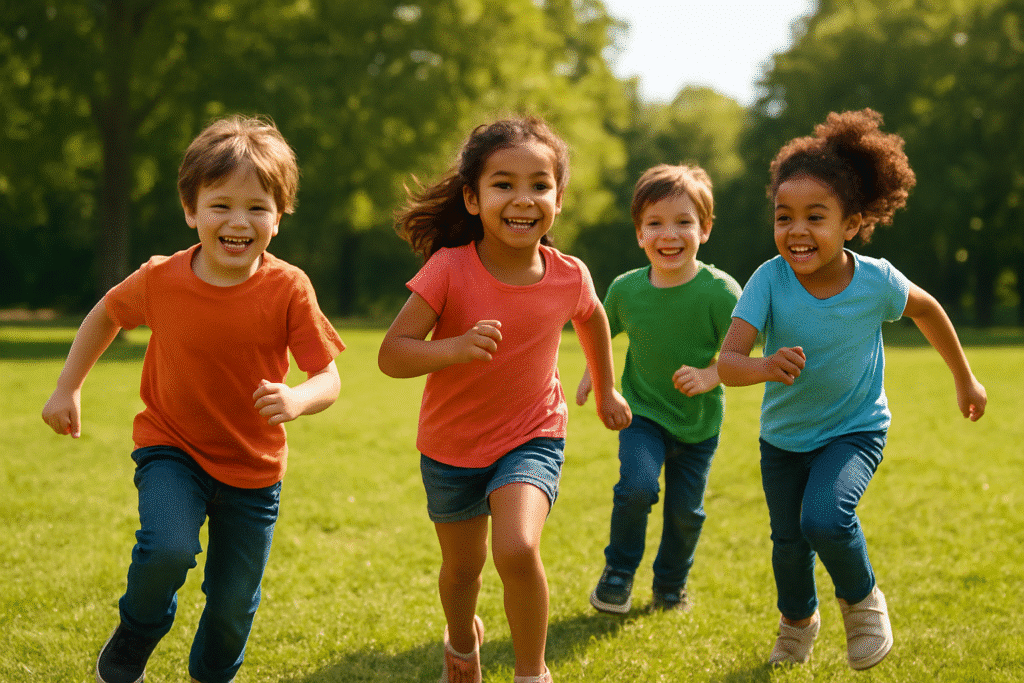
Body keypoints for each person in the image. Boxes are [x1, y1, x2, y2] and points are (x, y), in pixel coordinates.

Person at [41, 115, 345, 683]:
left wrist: (299, 398)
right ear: (191, 211)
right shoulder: (161, 279)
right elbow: (107, 313)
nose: (238, 221)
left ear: (278, 219)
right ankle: (138, 630)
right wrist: (67, 387)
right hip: (171, 447)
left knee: (233, 606)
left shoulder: (289, 288)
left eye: (257, 207)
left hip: (253, 470)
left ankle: (212, 674)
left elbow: (327, 376)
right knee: (167, 549)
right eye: (220, 205)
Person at [717, 109, 987, 670]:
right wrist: (765, 367)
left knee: (825, 519)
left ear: (852, 223)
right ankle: (797, 622)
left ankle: (862, 603)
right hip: (784, 439)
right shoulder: (769, 280)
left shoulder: (876, 281)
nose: (796, 231)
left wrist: (964, 376)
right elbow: (728, 363)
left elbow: (928, 310)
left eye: (815, 217)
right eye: (784, 217)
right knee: (788, 546)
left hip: (854, 429)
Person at [378, 117, 632, 683]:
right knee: (462, 570)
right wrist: (455, 348)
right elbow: (392, 354)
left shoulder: (570, 275)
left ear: (558, 200)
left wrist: (607, 387)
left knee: (516, 548)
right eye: (503, 184)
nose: (523, 199)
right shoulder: (449, 269)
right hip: (450, 446)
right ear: (472, 198)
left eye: (540, 185)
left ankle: (530, 673)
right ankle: (463, 645)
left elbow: (592, 319)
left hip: (532, 435)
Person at [577, 164, 741, 614]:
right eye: (655, 223)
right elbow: (600, 332)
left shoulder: (721, 293)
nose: (669, 234)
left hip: (699, 423)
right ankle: (619, 574)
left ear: (704, 230)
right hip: (642, 413)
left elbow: (743, 356)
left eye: (684, 222)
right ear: (639, 234)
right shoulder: (626, 290)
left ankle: (670, 586)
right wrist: (595, 374)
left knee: (686, 514)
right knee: (637, 487)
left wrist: (709, 376)